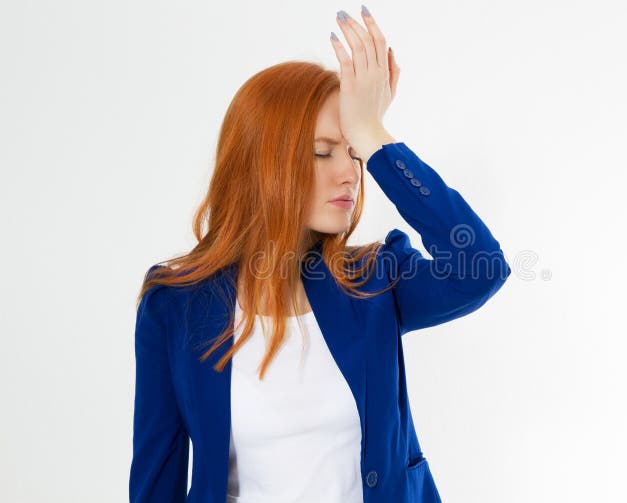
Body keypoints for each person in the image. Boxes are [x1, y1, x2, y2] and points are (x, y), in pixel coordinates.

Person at [129, 6, 511, 503]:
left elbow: (478, 268)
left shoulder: (374, 279)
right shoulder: (174, 306)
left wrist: (374, 136)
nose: (350, 172)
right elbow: (156, 484)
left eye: (352, 151)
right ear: (264, 161)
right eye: (322, 150)